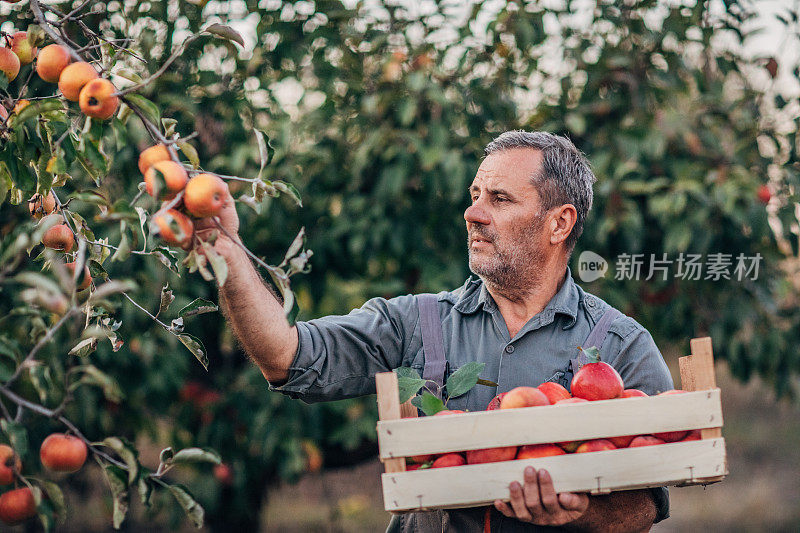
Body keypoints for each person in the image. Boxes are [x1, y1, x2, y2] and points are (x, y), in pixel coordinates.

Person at [198, 130, 674, 532]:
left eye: (500, 199)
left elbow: (647, 502)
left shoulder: (620, 344)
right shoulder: (415, 323)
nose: (473, 213)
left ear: (559, 223)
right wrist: (229, 253)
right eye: (475, 196)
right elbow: (288, 354)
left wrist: (579, 511)